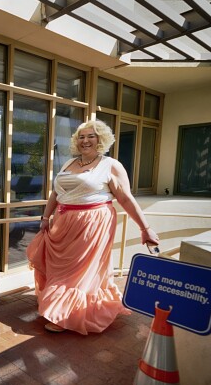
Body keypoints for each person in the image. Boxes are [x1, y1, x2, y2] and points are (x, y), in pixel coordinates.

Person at [26, 119, 159, 335]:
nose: (85, 140)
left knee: (77, 272)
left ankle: (65, 315)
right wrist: (45, 216)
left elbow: (125, 199)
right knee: (60, 270)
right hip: (62, 223)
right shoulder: (69, 163)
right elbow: (56, 193)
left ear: (101, 139)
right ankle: (60, 307)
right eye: (81, 136)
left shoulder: (111, 165)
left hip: (93, 224)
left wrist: (145, 228)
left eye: (91, 136)